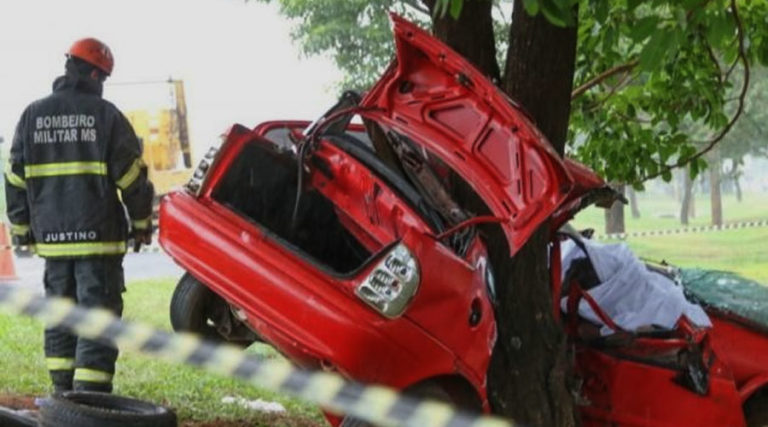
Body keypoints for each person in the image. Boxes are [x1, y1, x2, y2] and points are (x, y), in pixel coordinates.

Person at [4, 38, 154, 393]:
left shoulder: (31, 115)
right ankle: (90, 401)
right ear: (93, 74)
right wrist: (143, 223)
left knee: (60, 316)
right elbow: (132, 179)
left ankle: (62, 394)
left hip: (52, 243)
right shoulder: (106, 117)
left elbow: (14, 180)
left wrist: (23, 230)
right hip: (97, 242)